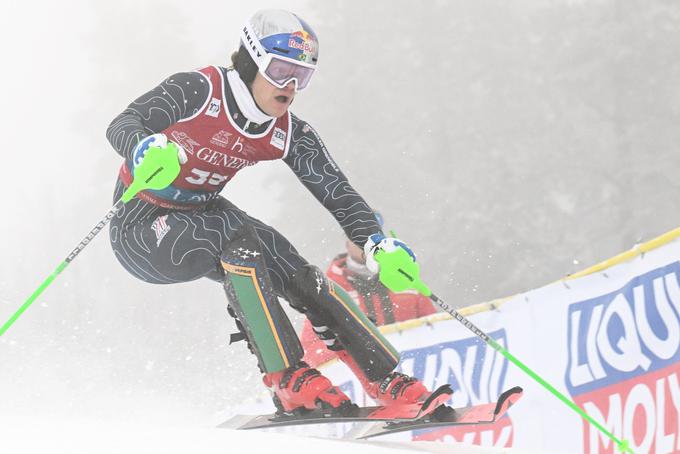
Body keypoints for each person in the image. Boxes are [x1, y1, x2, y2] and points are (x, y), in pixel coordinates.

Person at [106, 9, 449, 415]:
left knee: (293, 267)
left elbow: (336, 191)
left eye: (302, 76)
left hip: (204, 216)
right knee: (231, 232)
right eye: (282, 70)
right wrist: (142, 146)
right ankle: (286, 376)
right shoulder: (200, 89)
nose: (290, 86)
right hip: (141, 227)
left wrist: (375, 242)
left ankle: (385, 380)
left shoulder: (287, 131)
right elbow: (124, 122)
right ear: (251, 62)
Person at [301, 213, 437, 366]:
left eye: (372, 238)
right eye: (357, 238)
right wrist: (357, 349)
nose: (365, 244)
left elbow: (435, 330)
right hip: (364, 381)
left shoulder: (404, 276)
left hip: (415, 371)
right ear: (347, 242)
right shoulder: (328, 288)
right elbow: (313, 349)